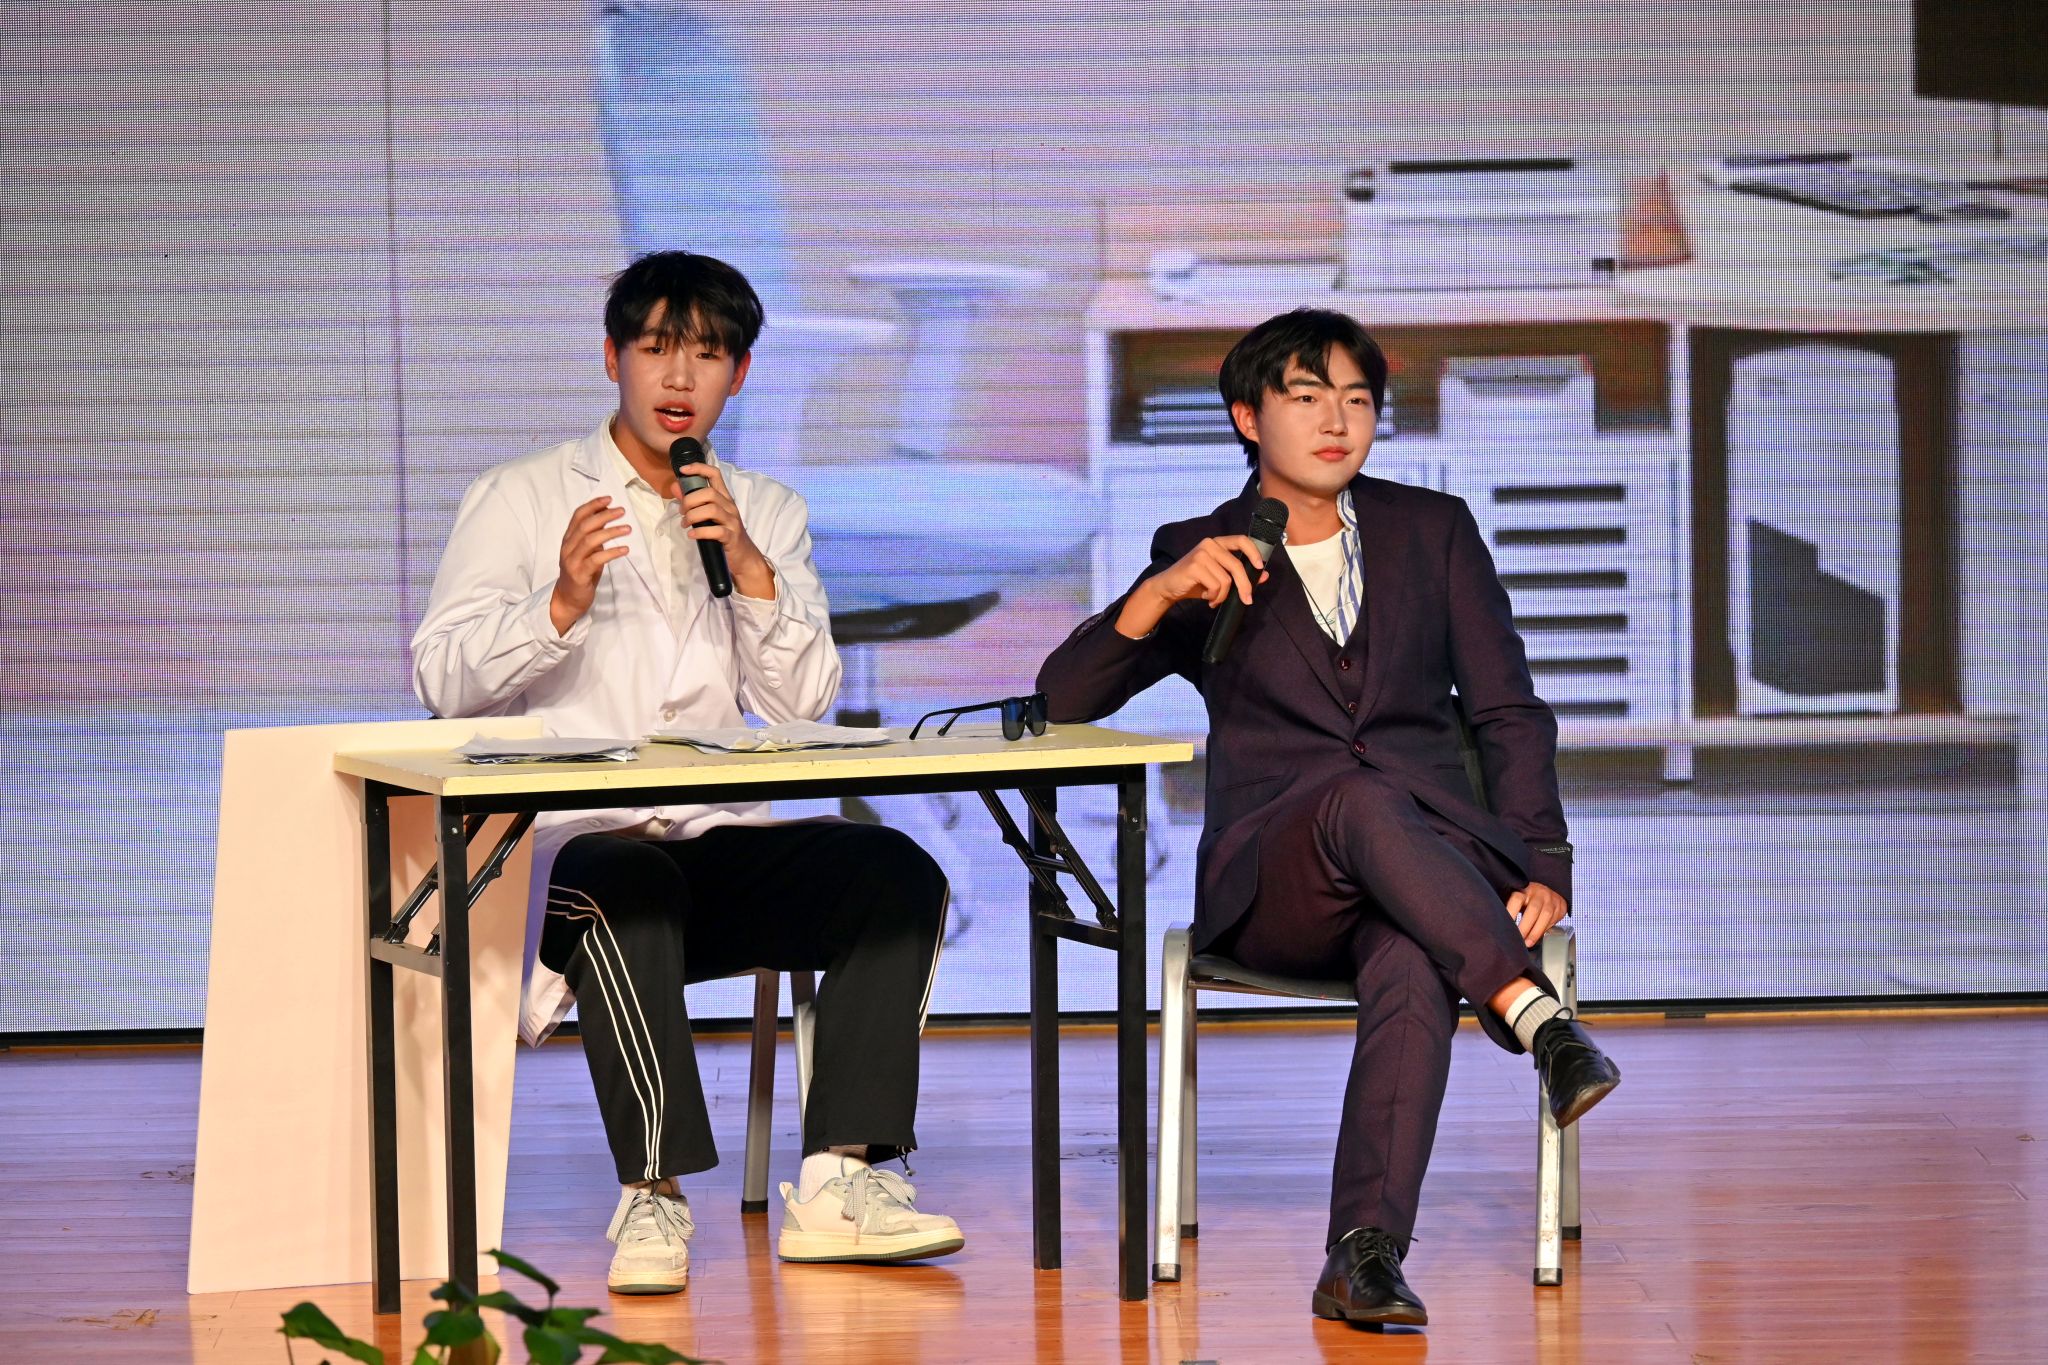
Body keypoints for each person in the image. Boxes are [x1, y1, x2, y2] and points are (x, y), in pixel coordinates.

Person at [1035, 308, 1620, 1329]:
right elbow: (1063, 698)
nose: (1337, 421)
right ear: (1247, 417)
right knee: (1354, 795)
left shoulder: (1433, 532)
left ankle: (1363, 1256)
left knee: (1411, 956)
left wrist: (1541, 858)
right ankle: (1536, 1019)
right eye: (1307, 397)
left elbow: (1506, 711)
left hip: (1427, 878)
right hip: (1276, 887)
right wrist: (1157, 594)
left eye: (1357, 399)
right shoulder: (1198, 552)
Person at [412, 250, 963, 1295]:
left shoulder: (764, 509)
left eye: (706, 355)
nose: (678, 377)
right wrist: (557, 602)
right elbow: (442, 679)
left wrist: (750, 572)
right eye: (657, 348)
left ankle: (843, 1180)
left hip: (714, 846)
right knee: (623, 878)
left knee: (892, 872)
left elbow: (803, 703)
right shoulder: (520, 497)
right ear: (612, 356)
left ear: (738, 375)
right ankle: (653, 1193)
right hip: (567, 862)